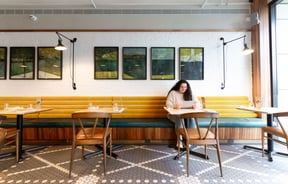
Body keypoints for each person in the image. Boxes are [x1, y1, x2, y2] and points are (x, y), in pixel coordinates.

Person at [166, 80, 200, 148]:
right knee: (180, 119)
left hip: (187, 115)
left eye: (185, 87)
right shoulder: (173, 93)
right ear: (178, 86)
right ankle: (179, 141)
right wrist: (174, 106)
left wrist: (195, 106)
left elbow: (198, 103)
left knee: (192, 119)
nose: (183, 89)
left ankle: (190, 140)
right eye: (182, 87)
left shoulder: (190, 93)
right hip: (174, 115)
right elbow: (168, 105)